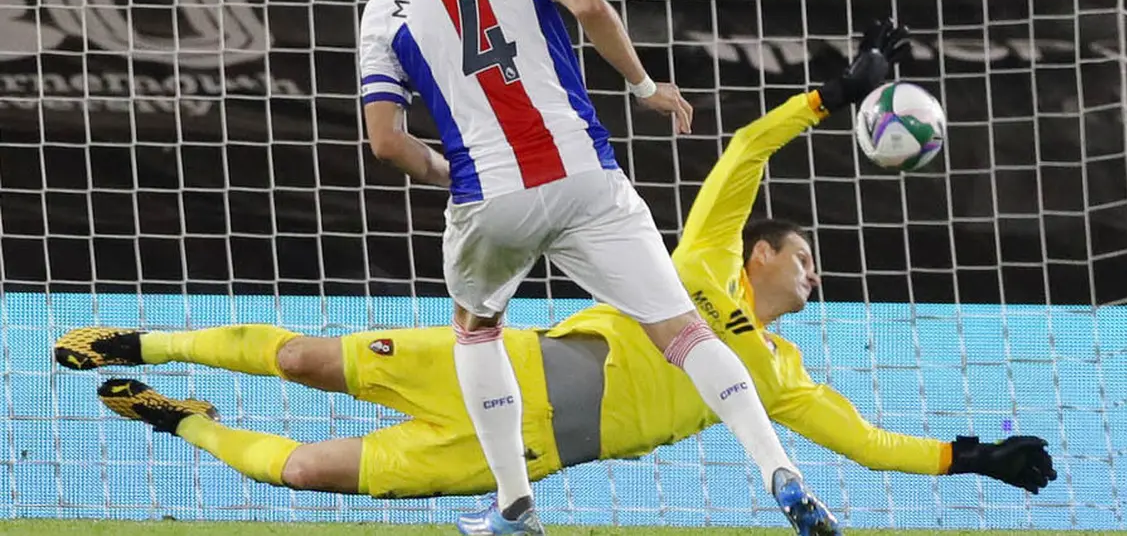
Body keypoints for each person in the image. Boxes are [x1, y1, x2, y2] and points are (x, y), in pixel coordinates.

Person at [54, 32, 1057, 517]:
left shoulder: (778, 375)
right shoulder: (703, 254)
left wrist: (969, 457)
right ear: (760, 250)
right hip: (488, 369)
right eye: (805, 254)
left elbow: (869, 440)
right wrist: (828, 100)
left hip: (515, 458)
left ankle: (169, 410)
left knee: (311, 469)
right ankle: (134, 338)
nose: (814, 272)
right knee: (310, 357)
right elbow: (742, 152)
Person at [348, 0, 912, 534]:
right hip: (586, 176)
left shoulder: (384, 6)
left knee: (476, 331)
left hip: (488, 195)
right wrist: (645, 86)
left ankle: (514, 507)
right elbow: (587, 8)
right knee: (684, 331)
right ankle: (781, 473)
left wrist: (445, 171)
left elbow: (386, 142)